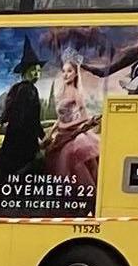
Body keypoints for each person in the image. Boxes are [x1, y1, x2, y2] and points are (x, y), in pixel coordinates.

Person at [0, 37, 46, 183]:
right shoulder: (30, 90)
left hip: (13, 138)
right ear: (26, 71)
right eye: (34, 71)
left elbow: (9, 113)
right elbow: (31, 118)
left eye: (39, 71)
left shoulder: (16, 89)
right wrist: (42, 136)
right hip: (25, 141)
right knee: (26, 172)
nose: (37, 74)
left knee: (7, 170)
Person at [44, 56, 103, 187]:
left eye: (69, 71)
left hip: (73, 134)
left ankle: (83, 191)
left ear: (75, 74)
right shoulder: (61, 92)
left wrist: (66, 126)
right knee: (52, 155)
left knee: (69, 158)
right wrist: (52, 131)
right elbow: (61, 117)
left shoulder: (77, 93)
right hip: (61, 134)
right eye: (64, 71)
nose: (66, 74)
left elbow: (84, 117)